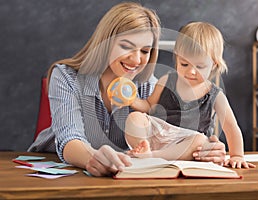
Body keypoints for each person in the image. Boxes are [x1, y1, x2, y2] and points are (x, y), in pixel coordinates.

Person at [28, 3, 226, 176]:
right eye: (126, 46)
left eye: (145, 51)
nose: (136, 60)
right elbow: (70, 139)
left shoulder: (150, 86)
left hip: (119, 172)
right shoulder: (65, 77)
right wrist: (92, 158)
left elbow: (170, 136)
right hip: (55, 168)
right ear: (105, 43)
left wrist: (204, 149)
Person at [126, 21, 255, 169]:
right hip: (159, 136)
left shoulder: (215, 95)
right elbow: (148, 106)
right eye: (184, 64)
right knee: (135, 118)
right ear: (177, 58)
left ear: (213, 64)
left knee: (200, 141)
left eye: (199, 67)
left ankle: (151, 157)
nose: (191, 72)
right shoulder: (166, 80)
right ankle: (143, 147)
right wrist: (132, 101)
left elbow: (231, 128)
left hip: (188, 143)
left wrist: (237, 155)